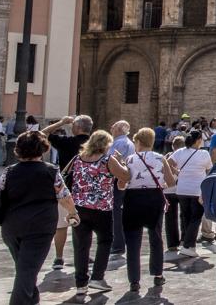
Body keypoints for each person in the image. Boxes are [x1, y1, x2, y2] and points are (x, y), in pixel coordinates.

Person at [0, 131, 79, 305]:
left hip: (12, 226)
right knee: (27, 271)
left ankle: (33, 301)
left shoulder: (9, 171)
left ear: (18, 150)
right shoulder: (50, 171)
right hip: (40, 227)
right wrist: (73, 213)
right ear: (42, 149)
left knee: (25, 269)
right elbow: (64, 196)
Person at [68, 129, 129, 295]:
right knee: (105, 241)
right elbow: (126, 175)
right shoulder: (107, 160)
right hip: (101, 208)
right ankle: (97, 277)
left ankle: (81, 283)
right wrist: (121, 161)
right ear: (106, 144)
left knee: (81, 245)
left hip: (79, 207)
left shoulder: (78, 159)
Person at [120, 127, 175, 291]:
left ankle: (134, 281)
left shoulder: (129, 159)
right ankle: (158, 274)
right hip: (154, 198)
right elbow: (171, 182)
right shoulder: (160, 158)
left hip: (133, 198)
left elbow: (123, 182)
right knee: (156, 237)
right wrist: (159, 185)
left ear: (138, 141)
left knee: (132, 240)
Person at [39, 114, 94, 269]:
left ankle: (59, 257)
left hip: (66, 189)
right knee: (84, 225)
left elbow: (42, 135)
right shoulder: (95, 144)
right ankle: (84, 254)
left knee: (62, 225)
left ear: (77, 128)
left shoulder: (68, 142)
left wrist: (61, 122)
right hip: (88, 189)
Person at [170, 130, 213, 257]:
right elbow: (209, 170)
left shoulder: (179, 152)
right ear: (199, 140)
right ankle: (188, 246)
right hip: (197, 190)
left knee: (187, 217)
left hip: (182, 190)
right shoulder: (204, 153)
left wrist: (178, 172)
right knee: (196, 218)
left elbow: (167, 163)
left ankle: (189, 245)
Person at [107, 120, 134, 259]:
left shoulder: (118, 143)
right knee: (120, 212)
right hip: (123, 180)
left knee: (116, 212)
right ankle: (119, 242)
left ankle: (117, 244)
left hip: (117, 180)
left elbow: (109, 161)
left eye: (114, 126)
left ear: (119, 129)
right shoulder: (128, 142)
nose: (111, 127)